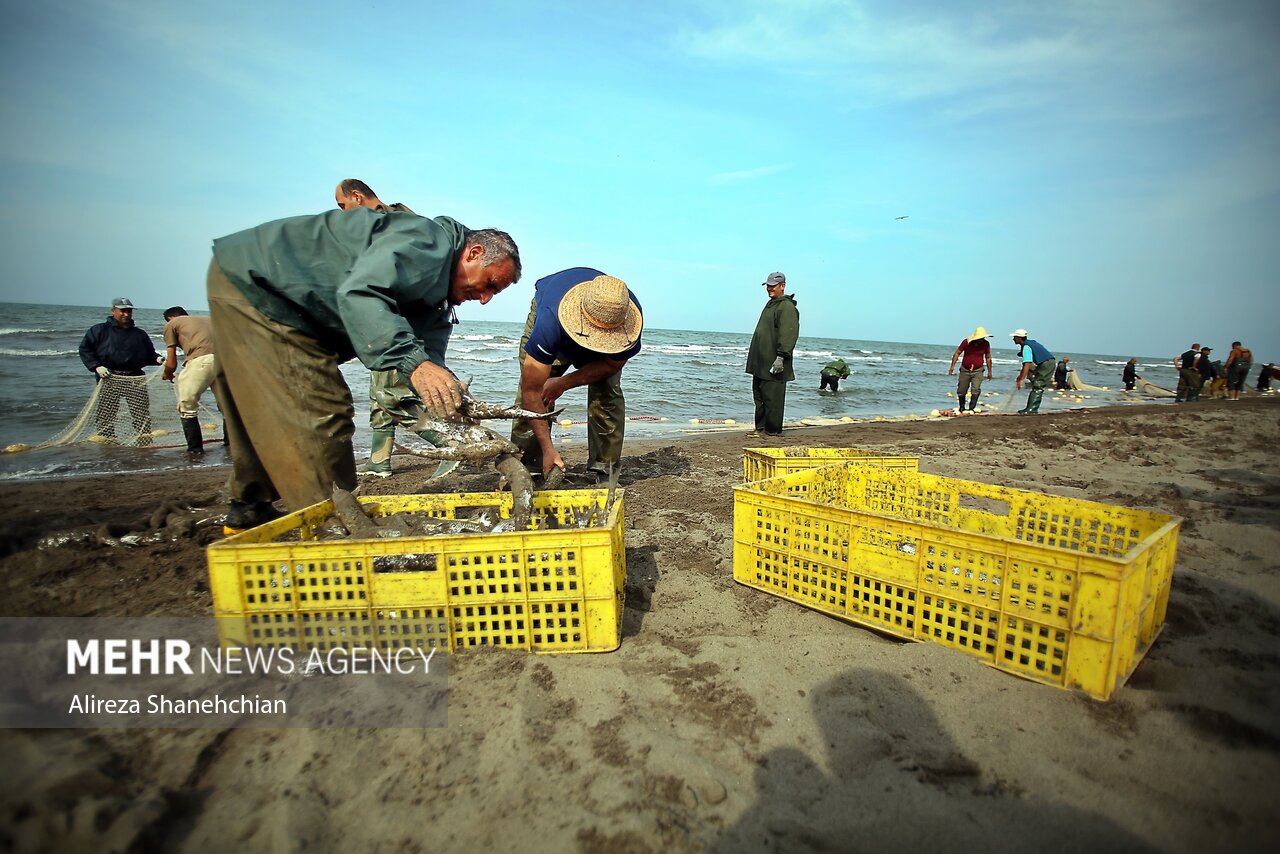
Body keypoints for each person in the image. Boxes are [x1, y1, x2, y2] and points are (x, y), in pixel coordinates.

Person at [207, 209, 520, 532]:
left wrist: (452, 403)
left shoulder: (439, 300)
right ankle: (334, 529)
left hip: (255, 284)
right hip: (263, 286)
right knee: (321, 408)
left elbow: (428, 362)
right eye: (491, 285)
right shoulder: (428, 244)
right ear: (474, 252)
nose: (484, 299)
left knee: (257, 406)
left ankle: (248, 509)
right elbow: (361, 293)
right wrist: (416, 365)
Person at [332, 178, 451, 478]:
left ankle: (450, 446)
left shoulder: (397, 225)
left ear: (357, 197)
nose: (340, 213)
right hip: (384, 326)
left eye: (342, 206)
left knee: (391, 394)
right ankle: (379, 460)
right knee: (380, 394)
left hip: (400, 328)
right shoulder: (379, 226)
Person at [510, 269, 643, 482]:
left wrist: (564, 383)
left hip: (603, 327)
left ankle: (605, 467)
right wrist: (548, 449)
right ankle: (527, 466)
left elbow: (611, 365)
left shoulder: (628, 321)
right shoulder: (549, 323)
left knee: (607, 393)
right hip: (557, 323)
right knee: (536, 395)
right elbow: (531, 391)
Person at [78, 297, 163, 444]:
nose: (126, 314)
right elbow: (85, 349)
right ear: (113, 311)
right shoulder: (98, 330)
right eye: (122, 311)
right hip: (109, 377)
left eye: (129, 311)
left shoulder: (139, 334)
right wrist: (96, 366)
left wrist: (159, 359)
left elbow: (149, 355)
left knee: (141, 414)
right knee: (107, 414)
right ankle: (108, 446)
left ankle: (144, 445)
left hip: (135, 378)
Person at [746, 272, 800, 436]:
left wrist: (781, 357)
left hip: (774, 361)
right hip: (760, 362)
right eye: (768, 286)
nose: (770, 289)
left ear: (782, 286)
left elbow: (789, 333)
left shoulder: (786, 307)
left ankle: (772, 431)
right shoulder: (772, 304)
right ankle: (761, 429)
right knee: (760, 397)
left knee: (773, 399)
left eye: (773, 286)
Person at [161, 306, 217, 454]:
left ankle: (195, 450)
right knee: (228, 407)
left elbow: (171, 363)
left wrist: (167, 373)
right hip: (228, 359)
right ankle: (230, 446)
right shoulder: (207, 320)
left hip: (202, 361)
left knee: (187, 406)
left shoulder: (171, 324)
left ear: (170, 319)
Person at [947, 326, 993, 413]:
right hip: (965, 369)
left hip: (978, 370)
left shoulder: (986, 344)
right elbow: (957, 353)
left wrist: (990, 371)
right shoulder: (966, 342)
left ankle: (971, 408)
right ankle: (962, 407)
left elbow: (988, 357)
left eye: (983, 337)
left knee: (975, 389)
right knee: (961, 390)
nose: (982, 339)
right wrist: (952, 366)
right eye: (980, 338)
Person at [1010, 329, 1056, 415]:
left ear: (1019, 338)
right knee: (1037, 384)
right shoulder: (1028, 344)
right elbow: (1025, 365)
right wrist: (1020, 376)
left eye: (1014, 337)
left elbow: (1027, 363)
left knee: (1038, 385)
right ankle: (1030, 408)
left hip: (1046, 364)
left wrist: (1022, 379)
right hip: (1045, 363)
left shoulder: (1027, 347)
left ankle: (1032, 409)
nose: (1013, 339)